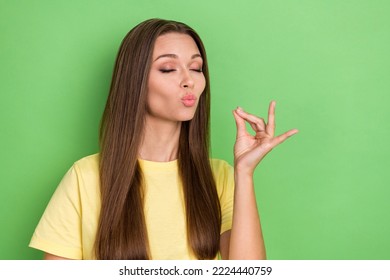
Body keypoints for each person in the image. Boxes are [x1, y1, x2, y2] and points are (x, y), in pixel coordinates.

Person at [29, 18, 298, 260]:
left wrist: (245, 171)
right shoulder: (85, 177)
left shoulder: (221, 177)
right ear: (135, 81)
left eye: (196, 67)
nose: (189, 80)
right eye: (168, 69)